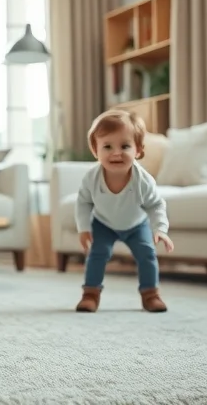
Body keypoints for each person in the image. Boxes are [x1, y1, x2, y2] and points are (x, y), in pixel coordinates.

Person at [74, 109, 174, 313]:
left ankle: (150, 294)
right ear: (96, 150)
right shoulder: (91, 178)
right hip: (103, 224)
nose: (116, 153)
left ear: (138, 150)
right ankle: (90, 294)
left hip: (136, 224)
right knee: (97, 254)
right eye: (107, 146)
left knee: (147, 254)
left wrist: (160, 229)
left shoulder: (142, 180)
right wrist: (84, 228)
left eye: (125, 146)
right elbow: (83, 203)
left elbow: (156, 205)